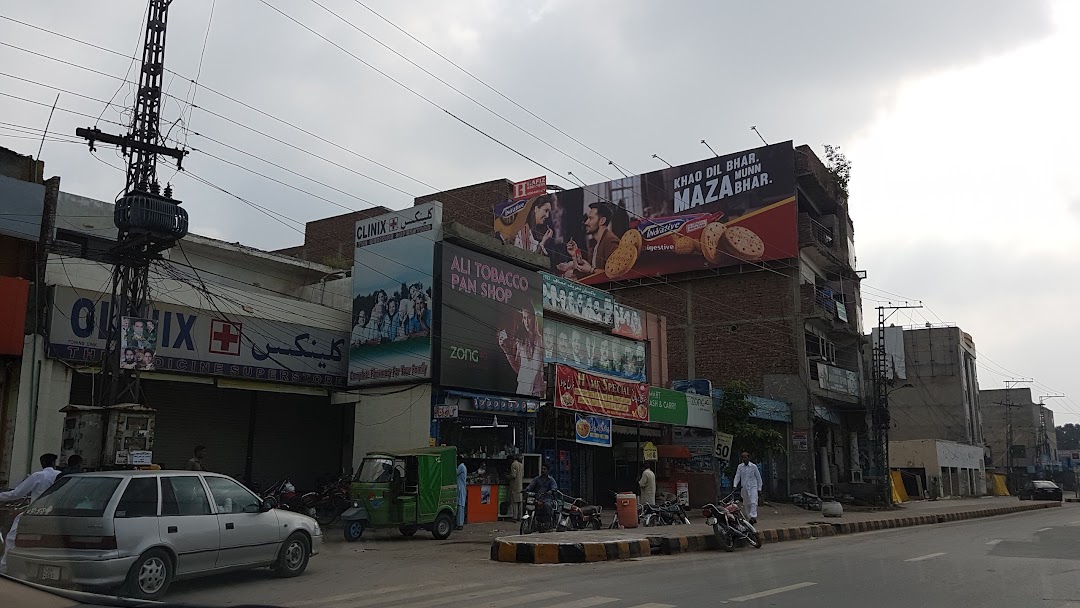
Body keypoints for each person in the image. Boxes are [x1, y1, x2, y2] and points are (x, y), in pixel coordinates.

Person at [0, 453, 59, 573]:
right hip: (55, 514)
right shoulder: (60, 476)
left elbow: (16, 494)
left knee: (12, 537)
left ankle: (4, 568)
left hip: (36, 512)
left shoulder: (38, 476)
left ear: (42, 463)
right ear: (54, 463)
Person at [559, 202, 621, 279]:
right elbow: (591, 271)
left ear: (602, 221)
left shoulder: (611, 242)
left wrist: (591, 270)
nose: (586, 222)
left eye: (590, 218)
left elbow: (615, 274)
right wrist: (575, 255)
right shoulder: (596, 245)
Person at [497, 307, 544, 396]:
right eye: (524, 318)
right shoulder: (521, 341)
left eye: (529, 318)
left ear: (534, 318)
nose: (526, 322)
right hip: (522, 390)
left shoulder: (541, 341)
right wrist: (505, 349)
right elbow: (518, 369)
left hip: (536, 392)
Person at [733, 451, 763, 524]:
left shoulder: (753, 467)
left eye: (745, 457)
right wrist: (735, 485)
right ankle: (749, 517)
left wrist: (759, 488)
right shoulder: (740, 467)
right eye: (742, 457)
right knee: (746, 503)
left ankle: (753, 516)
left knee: (753, 502)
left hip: (753, 487)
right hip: (744, 488)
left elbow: (759, 478)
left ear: (748, 458)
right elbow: (737, 476)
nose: (744, 459)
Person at [508, 455, 524, 522]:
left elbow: (513, 475)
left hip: (514, 485)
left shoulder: (513, 464)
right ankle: (520, 517)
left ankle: (514, 517)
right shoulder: (521, 465)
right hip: (520, 485)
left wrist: (508, 476)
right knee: (520, 502)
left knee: (514, 502)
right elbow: (522, 475)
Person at [456, 457, 467, 530]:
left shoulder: (461, 467)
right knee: (460, 506)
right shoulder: (463, 466)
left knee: (460, 506)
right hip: (461, 487)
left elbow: (455, 473)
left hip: (460, 488)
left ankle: (460, 524)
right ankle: (459, 523)